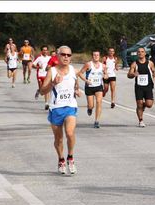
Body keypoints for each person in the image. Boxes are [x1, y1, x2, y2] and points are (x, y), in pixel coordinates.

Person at [40, 45, 81, 175]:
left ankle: (70, 157)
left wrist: (76, 90)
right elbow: (42, 91)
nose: (66, 57)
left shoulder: (73, 70)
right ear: (57, 56)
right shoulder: (52, 71)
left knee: (69, 133)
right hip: (56, 108)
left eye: (69, 55)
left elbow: (75, 83)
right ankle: (61, 159)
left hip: (70, 106)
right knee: (59, 139)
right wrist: (53, 83)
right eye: (63, 54)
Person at [127, 47, 155, 127]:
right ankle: (141, 120)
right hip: (139, 87)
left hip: (148, 86)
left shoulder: (150, 63)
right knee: (139, 104)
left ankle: (143, 106)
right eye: (139, 52)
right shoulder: (134, 64)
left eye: (142, 52)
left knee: (149, 104)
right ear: (137, 54)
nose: (140, 53)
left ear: (145, 53)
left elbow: (154, 72)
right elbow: (129, 75)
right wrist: (133, 74)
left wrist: (154, 76)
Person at [78, 50, 108, 128]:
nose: (96, 56)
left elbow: (106, 74)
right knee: (91, 105)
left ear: (99, 56)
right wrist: (86, 80)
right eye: (94, 55)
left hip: (98, 86)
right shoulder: (88, 64)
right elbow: (80, 73)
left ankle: (97, 121)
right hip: (89, 87)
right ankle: (90, 109)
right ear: (92, 56)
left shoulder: (103, 66)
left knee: (99, 102)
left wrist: (105, 76)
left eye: (97, 55)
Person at [33, 45, 51, 110]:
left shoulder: (50, 57)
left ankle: (47, 103)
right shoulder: (39, 58)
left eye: (46, 50)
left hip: (47, 75)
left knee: (46, 89)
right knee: (42, 92)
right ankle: (39, 90)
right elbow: (33, 65)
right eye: (44, 50)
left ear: (47, 51)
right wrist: (38, 67)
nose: (45, 51)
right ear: (41, 51)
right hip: (40, 75)